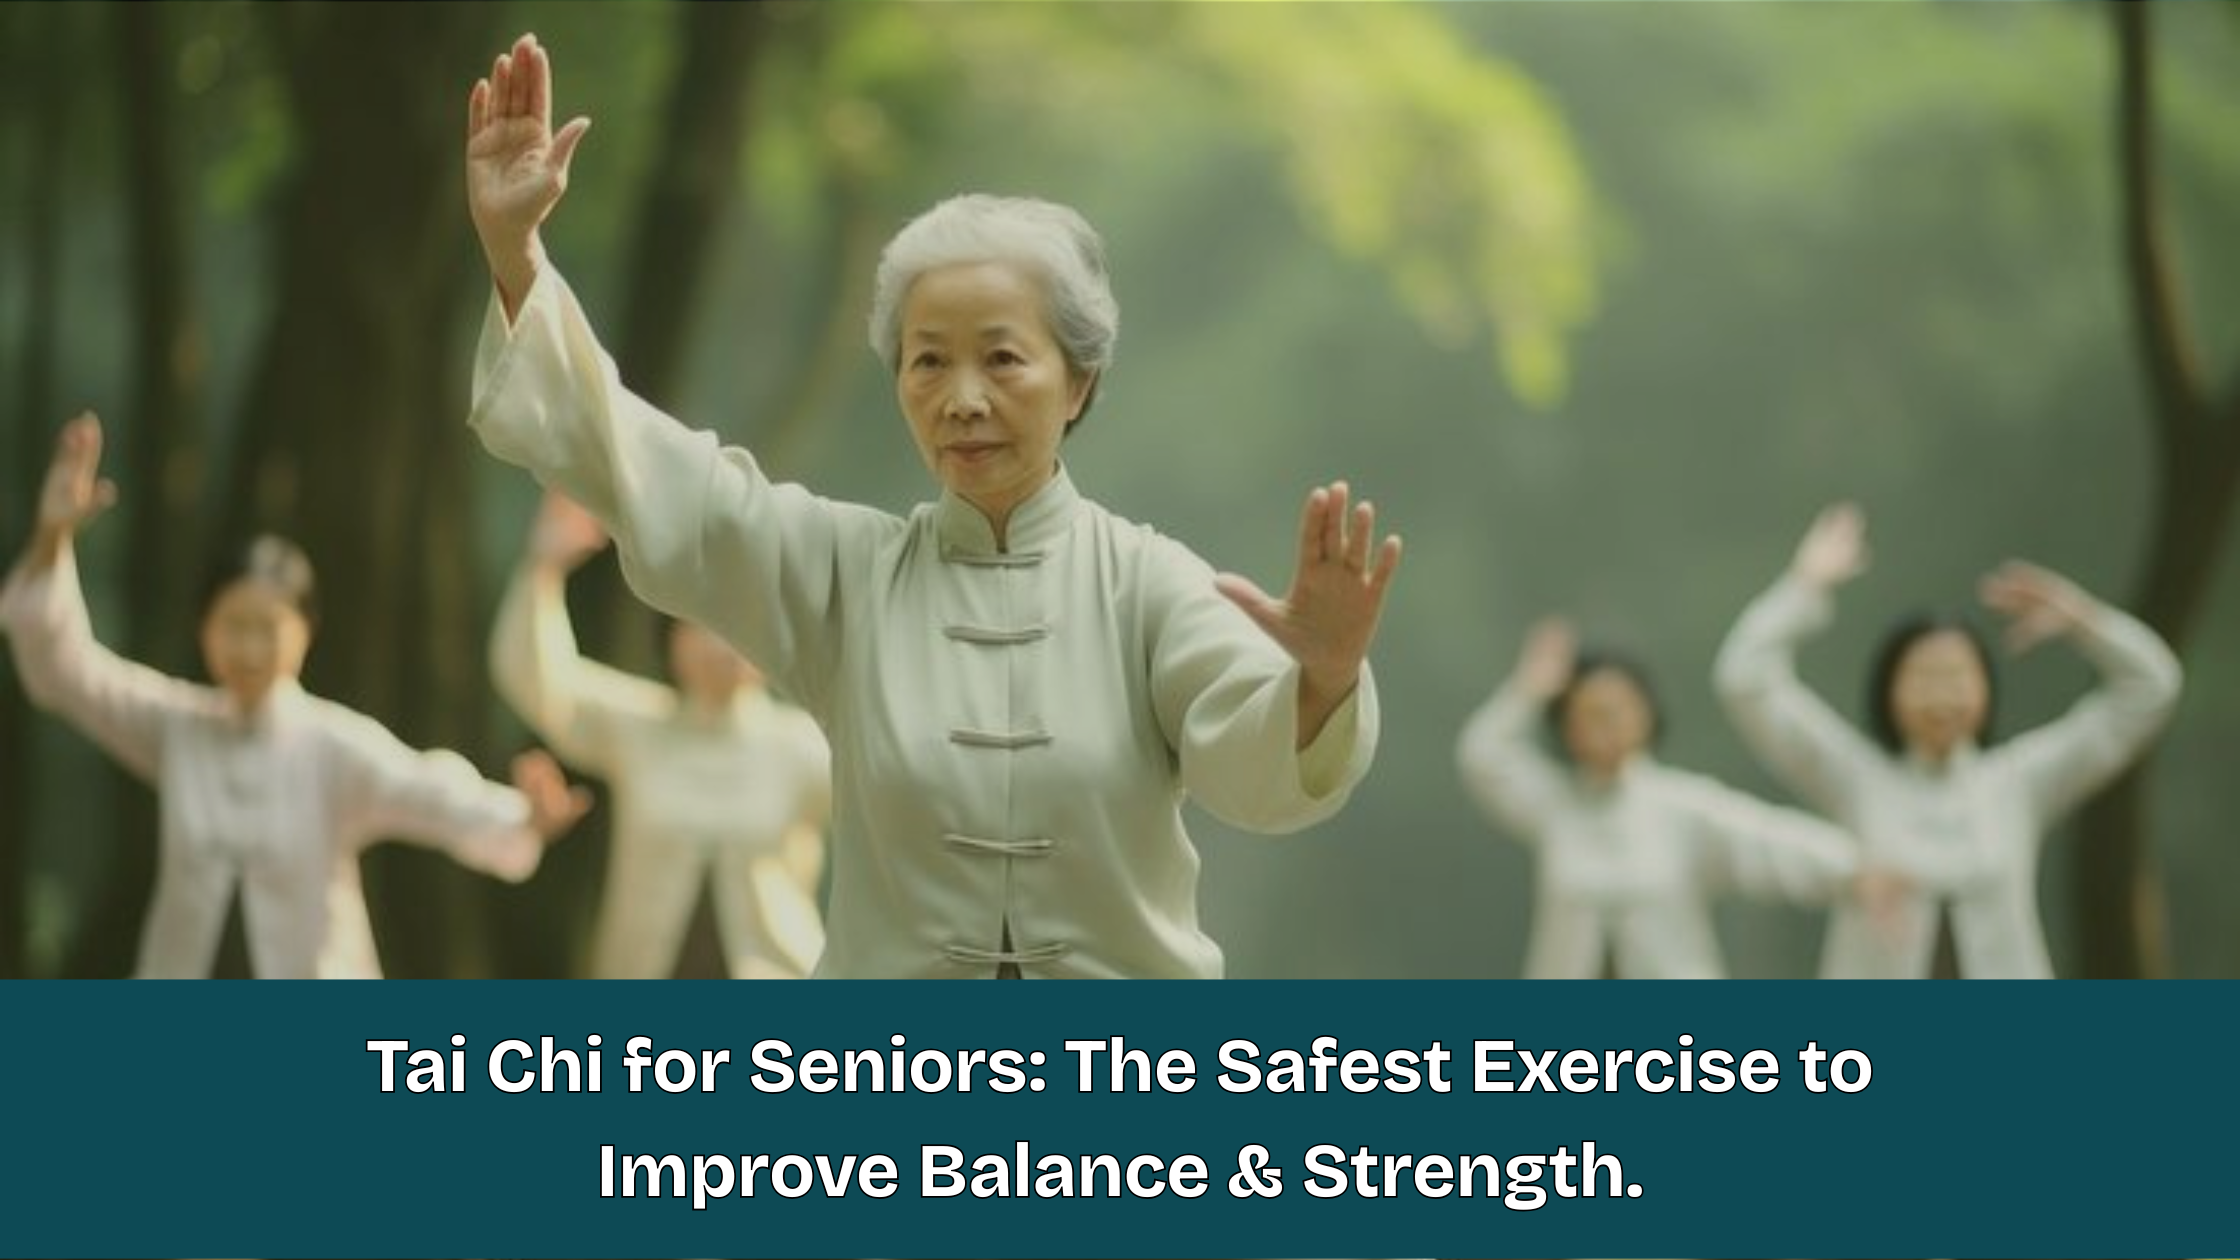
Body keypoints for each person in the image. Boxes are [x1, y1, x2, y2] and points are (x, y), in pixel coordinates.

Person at [461, 33, 1400, 978]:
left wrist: (1321, 680)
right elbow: (651, 468)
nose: (961, 398)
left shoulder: (1148, 586)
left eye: (1001, 357)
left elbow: (1261, 779)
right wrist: (517, 252)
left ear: (1077, 382)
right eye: (927, 361)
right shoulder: (846, 576)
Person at [0, 412, 590, 979]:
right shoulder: (177, 727)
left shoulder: (330, 747)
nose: (250, 648)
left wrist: (520, 817)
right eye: (234, 625)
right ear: (203, 630)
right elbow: (67, 672)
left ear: (305, 633)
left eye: (269, 628)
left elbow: (430, 790)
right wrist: (53, 538)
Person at [1714, 502, 2183, 979]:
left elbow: (2152, 689)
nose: (1942, 695)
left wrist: (2085, 621)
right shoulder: (1856, 776)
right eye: (1922, 677)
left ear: (1986, 688)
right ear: (1888, 690)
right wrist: (1803, 586)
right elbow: (1744, 680)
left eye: (1957, 677)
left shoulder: (2018, 782)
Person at [492, 489, 831, 979]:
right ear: (672, 640)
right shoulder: (639, 728)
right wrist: (543, 570)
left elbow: (902, 798)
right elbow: (542, 683)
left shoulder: (804, 746)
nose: (724, 646)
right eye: (705, 626)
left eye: (743, 627)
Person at [1457, 617, 1859, 979]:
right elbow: (1482, 755)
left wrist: (1856, 868)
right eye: (1593, 714)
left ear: (1646, 714)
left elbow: (1769, 842)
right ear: (1568, 728)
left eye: (1620, 710)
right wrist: (1527, 690)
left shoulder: (1679, 806)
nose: (1608, 726)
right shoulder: (1555, 806)